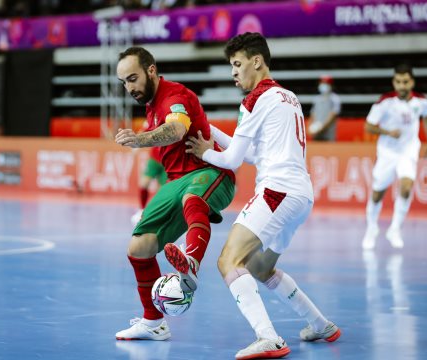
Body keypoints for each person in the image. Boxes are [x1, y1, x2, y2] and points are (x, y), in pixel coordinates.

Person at [186, 32, 340, 359]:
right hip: (300, 196)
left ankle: (268, 337)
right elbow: (256, 153)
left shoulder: (254, 99)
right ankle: (320, 324)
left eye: (237, 64)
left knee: (229, 260)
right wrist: (212, 132)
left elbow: (232, 161)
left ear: (257, 61)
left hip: (276, 192)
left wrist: (205, 151)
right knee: (260, 268)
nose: (233, 72)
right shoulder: (288, 97)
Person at [114, 46, 236, 341]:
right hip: (175, 181)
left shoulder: (174, 96)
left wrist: (140, 139)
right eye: (124, 83)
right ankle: (153, 322)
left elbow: (177, 130)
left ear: (151, 71)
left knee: (191, 199)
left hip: (211, 172)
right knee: (139, 247)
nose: (130, 88)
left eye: (133, 78)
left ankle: (191, 263)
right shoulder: (151, 103)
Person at [361, 64, 427, 250]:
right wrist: (387, 132)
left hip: (409, 150)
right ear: (394, 82)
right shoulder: (384, 102)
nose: (402, 86)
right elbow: (369, 126)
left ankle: (395, 229)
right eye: (399, 82)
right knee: (378, 193)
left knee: (407, 186)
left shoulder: (422, 102)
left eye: (406, 82)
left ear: (412, 82)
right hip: (387, 152)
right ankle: (371, 228)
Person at [131, 145, 168, 226]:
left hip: (168, 161)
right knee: (144, 183)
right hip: (154, 159)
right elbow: (145, 133)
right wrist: (136, 145)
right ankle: (141, 210)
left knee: (162, 191)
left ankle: (159, 215)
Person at [307, 75, 341, 141]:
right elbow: (312, 114)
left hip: (328, 135)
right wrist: (309, 128)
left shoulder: (335, 98)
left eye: (326, 83)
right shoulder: (316, 98)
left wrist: (321, 128)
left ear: (331, 85)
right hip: (316, 133)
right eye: (322, 83)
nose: (324, 85)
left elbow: (333, 115)